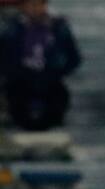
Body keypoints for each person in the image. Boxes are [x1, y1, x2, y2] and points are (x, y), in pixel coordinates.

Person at [1, 0, 82, 131]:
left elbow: (74, 57)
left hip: (50, 78)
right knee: (16, 98)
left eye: (37, 5)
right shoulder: (12, 29)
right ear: (24, 7)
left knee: (57, 99)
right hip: (20, 79)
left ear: (44, 6)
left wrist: (58, 71)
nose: (34, 9)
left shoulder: (59, 28)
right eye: (30, 5)